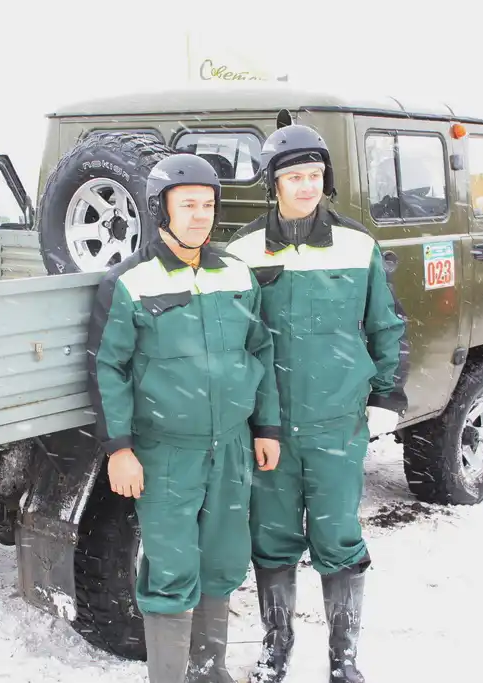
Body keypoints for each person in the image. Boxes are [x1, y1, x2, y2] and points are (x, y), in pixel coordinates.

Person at [86, 153, 282, 683]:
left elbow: (260, 352)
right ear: (161, 209)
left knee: (223, 561)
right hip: (166, 452)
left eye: (208, 205)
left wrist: (266, 427)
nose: (200, 215)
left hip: (233, 447)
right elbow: (108, 367)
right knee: (172, 569)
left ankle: (209, 671)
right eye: (188, 204)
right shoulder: (130, 282)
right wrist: (119, 449)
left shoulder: (236, 274)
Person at [225, 125, 410, 683]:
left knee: (338, 537)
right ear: (273, 183)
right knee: (272, 537)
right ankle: (276, 645)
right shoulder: (243, 250)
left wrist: (386, 393)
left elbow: (386, 324)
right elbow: (232, 338)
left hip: (337, 422)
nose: (306, 186)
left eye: (314, 176)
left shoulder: (357, 244)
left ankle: (343, 658)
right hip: (271, 427)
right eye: (294, 177)